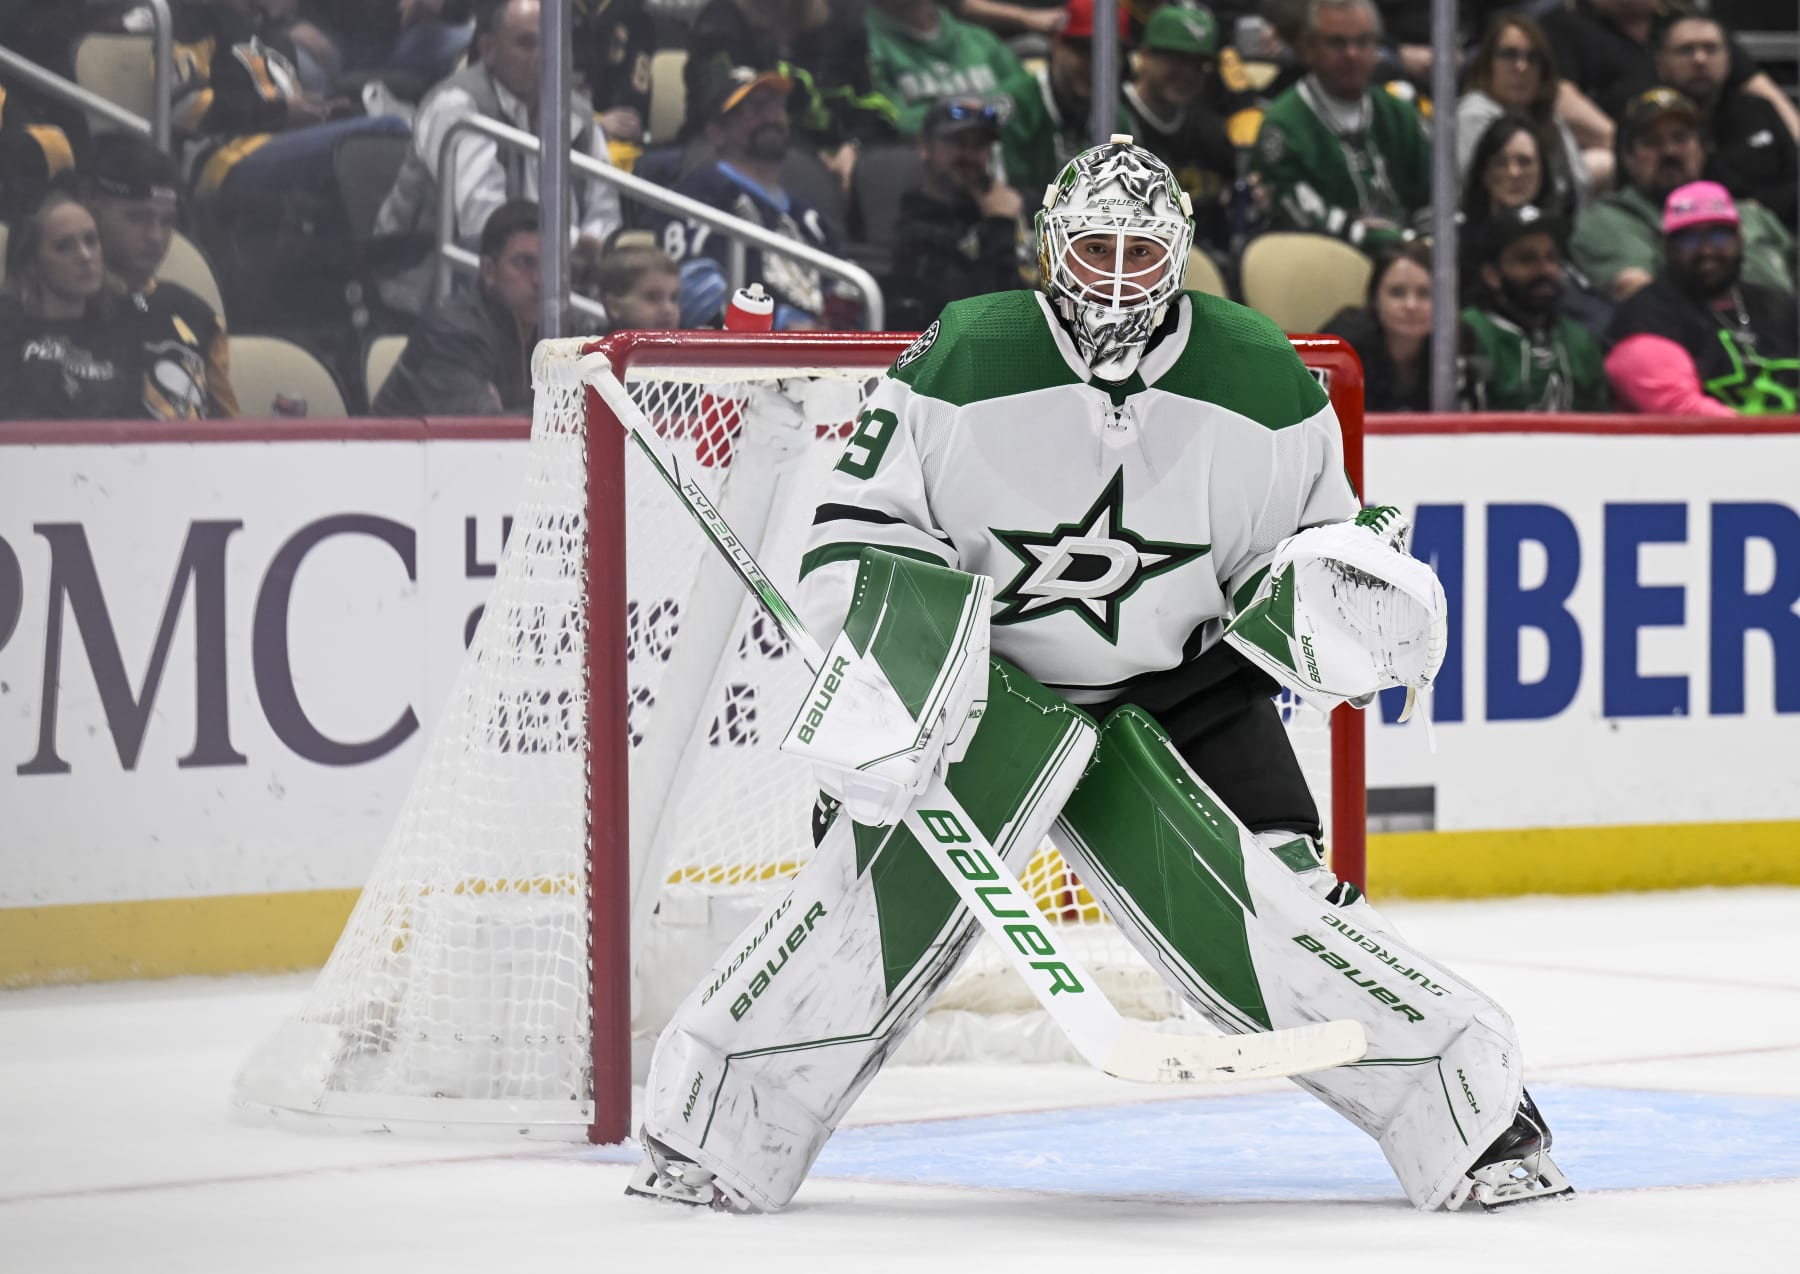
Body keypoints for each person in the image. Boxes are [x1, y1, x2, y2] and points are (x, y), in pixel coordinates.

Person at [625, 136, 1572, 1218]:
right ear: (1048, 250)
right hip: (983, 699)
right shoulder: (963, 355)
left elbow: (1305, 549)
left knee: (1285, 911)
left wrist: (1338, 596)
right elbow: (859, 527)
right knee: (856, 912)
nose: (1115, 276)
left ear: (1178, 255)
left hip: (1183, 694)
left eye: (1138, 250)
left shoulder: (1259, 371)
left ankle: (1475, 1110)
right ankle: (712, 1126)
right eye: (1093, 248)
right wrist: (900, 670)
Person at [374, 0, 624, 315]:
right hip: (436, 278)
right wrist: (570, 246)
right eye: (525, 43)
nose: (542, 57)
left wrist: (592, 244)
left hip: (557, 275)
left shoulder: (578, 113)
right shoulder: (457, 106)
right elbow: (483, 222)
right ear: (489, 49)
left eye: (552, 43)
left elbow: (605, 208)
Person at [652, 62, 844, 329]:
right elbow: (692, 294)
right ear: (716, 132)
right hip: (743, 361)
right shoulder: (697, 197)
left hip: (822, 362)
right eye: (751, 108)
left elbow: (844, 298)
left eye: (776, 105)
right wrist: (779, 326)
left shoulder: (810, 219)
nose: (771, 117)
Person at [1570, 87, 1794, 302]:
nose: (1669, 151)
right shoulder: (1609, 220)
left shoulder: (1751, 214)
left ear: (1701, 149)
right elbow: (1639, 296)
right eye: (1652, 142)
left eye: (1681, 138)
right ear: (1629, 157)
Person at [1250, 0, 1430, 254]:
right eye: (1337, 43)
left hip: (1409, 265)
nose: (1352, 54)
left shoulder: (1400, 113)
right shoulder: (1283, 125)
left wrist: (1428, 240)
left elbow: (1433, 195)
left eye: (1363, 41)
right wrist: (1396, 239)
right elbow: (1303, 215)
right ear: (1309, 48)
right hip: (1325, 266)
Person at [1605, 180, 1797, 416]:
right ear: (1666, 248)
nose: (1707, 251)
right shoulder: (1646, 318)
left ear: (1740, 240)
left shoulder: (1781, 305)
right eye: (1689, 240)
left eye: (1719, 237)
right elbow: (1686, 414)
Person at [84, 135, 239, 420]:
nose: (156, 237)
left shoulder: (199, 317)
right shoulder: (57, 305)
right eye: (137, 218)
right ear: (94, 214)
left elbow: (231, 436)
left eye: (167, 221)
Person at [372, 199, 540, 416]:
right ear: (489, 271)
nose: (540, 279)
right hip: (396, 449)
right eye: (524, 263)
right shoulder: (452, 334)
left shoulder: (550, 329)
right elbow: (486, 433)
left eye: (551, 265)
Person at [884, 96, 1028, 330]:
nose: (968, 155)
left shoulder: (999, 207)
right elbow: (982, 320)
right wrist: (999, 226)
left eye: (978, 145)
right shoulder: (914, 231)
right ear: (924, 146)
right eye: (957, 142)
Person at [0, 188, 143, 421]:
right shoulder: (6, 327)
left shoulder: (123, 323)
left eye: (91, 241)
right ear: (32, 263)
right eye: (63, 247)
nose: (85, 256)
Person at [685, 0, 892, 154]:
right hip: (743, 149)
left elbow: (870, 104)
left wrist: (854, 146)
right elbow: (736, 119)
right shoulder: (719, 24)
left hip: (839, 155)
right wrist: (816, 159)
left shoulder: (843, 21)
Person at [1653, 11, 1797, 230]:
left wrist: (1757, 208)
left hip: (1779, 234)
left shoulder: (1759, 109)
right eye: (1686, 50)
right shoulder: (1651, 122)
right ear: (1661, 64)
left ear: (1728, 60)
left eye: (1710, 49)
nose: (1699, 59)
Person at [1460, 203, 1610, 412]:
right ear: (1492, 275)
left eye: (1551, 257)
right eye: (1527, 260)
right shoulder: (1468, 333)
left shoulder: (1580, 341)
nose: (1545, 269)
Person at [1122, 5, 1241, 253]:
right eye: (1176, 60)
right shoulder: (1111, 118)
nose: (1187, 73)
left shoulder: (1209, 129)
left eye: (1198, 64)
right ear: (1145, 56)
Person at [1455, 12, 1596, 215]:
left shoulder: (1552, 121)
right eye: (1509, 55)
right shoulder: (1473, 115)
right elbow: (1471, 195)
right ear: (1488, 63)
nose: (1521, 67)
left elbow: (1580, 190)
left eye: (1532, 58)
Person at [1001, 0, 1125, 196]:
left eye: (1108, 53)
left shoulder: (1119, 119)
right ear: (1056, 44)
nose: (1094, 64)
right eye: (1084, 49)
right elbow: (1007, 194)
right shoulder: (1018, 106)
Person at [864, 0, 1032, 140]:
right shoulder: (863, 52)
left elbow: (1028, 101)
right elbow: (896, 123)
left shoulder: (980, 40)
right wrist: (983, 108)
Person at [1321, 240, 1432, 411]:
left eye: (1425, 293)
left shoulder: (1461, 343)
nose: (1411, 305)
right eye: (1397, 293)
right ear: (1374, 300)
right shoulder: (1343, 346)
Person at [594, 242, 682, 332]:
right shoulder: (591, 345)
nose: (668, 309)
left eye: (673, 298)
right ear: (615, 306)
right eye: (653, 297)